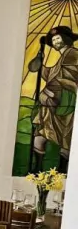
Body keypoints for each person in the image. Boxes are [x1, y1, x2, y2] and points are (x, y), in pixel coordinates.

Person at [28, 25, 78, 172]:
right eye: (53, 40)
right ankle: (37, 172)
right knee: (41, 136)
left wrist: (48, 92)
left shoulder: (73, 53)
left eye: (58, 38)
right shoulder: (63, 57)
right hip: (53, 105)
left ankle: (62, 173)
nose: (55, 42)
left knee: (65, 139)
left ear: (66, 39)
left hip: (65, 104)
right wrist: (40, 64)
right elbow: (53, 74)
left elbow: (68, 76)